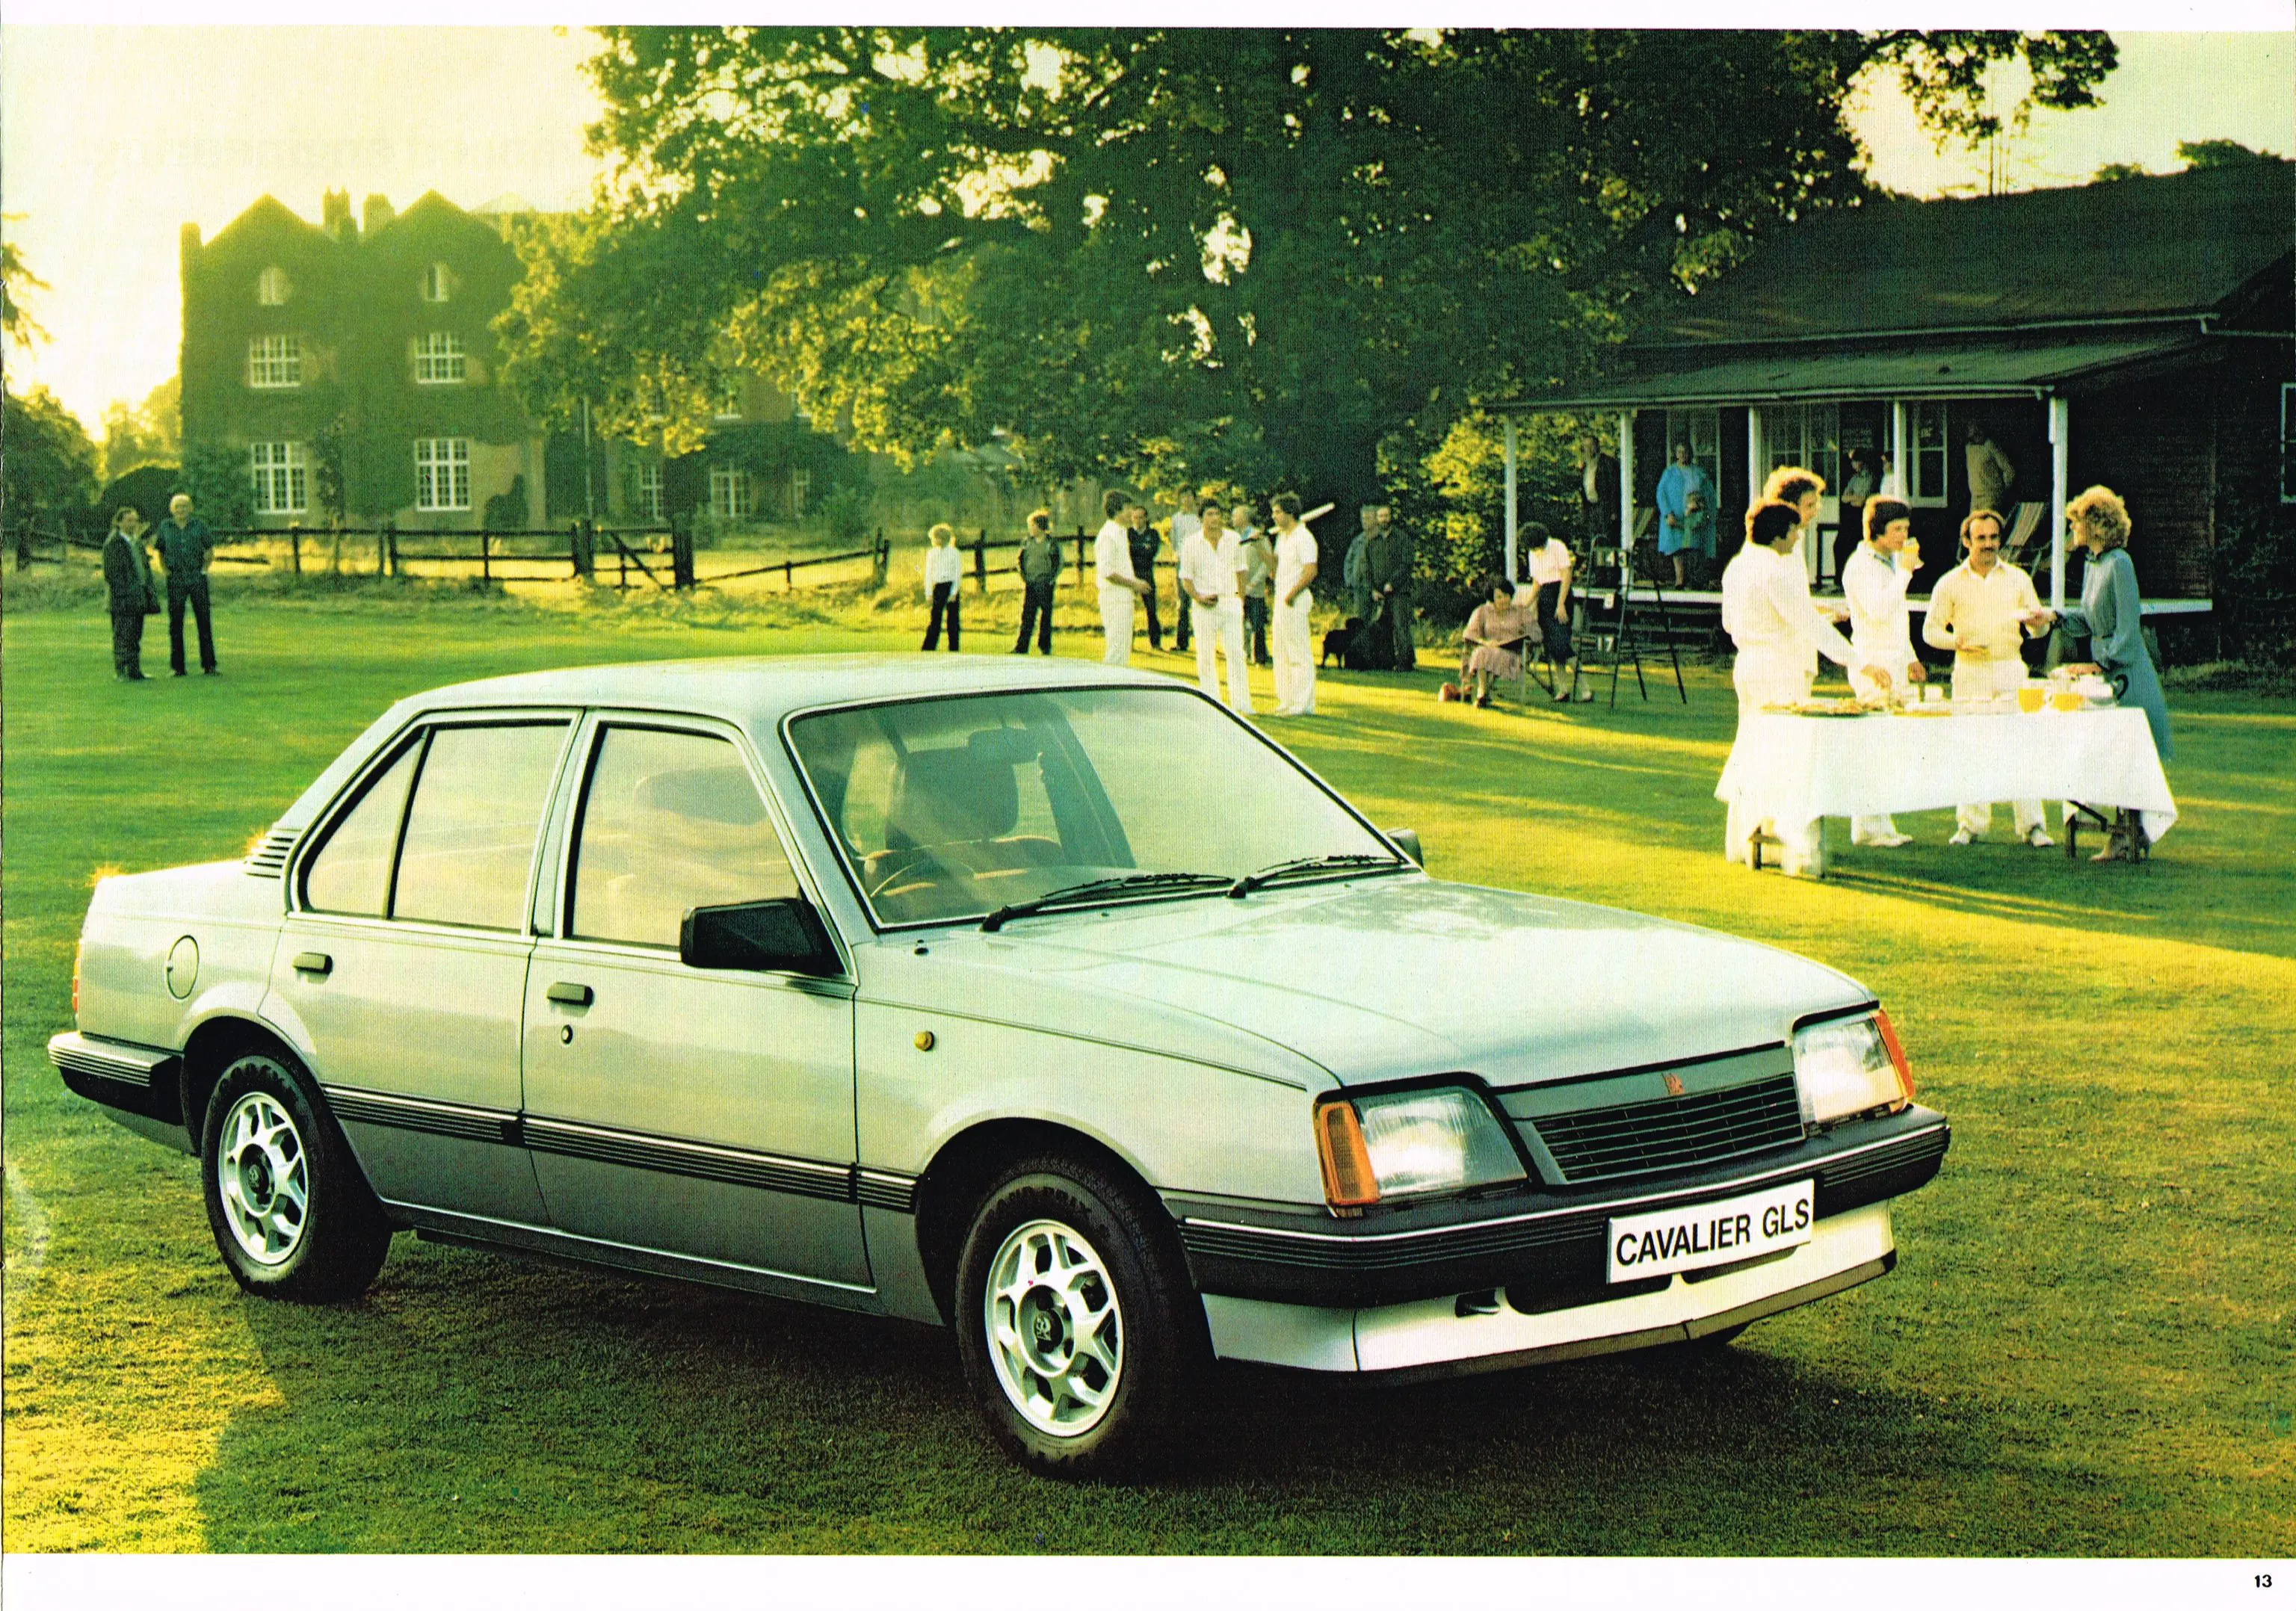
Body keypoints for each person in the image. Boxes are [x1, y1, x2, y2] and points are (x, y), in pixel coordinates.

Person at [1721, 500, 1856, 873]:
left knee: (1755, 751)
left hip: (1748, 664)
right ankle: (1789, 845)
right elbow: (1807, 625)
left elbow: (1731, 624)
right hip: (1775, 667)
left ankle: (1752, 841)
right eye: (1795, 530)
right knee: (1784, 754)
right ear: (1780, 534)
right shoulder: (1775, 570)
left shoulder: (1738, 566)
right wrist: (1855, 660)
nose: (1799, 537)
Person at [1923, 508, 2052, 847]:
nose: (1988, 544)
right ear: (1967, 542)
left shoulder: (2018, 579)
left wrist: (2039, 623)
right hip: (1970, 672)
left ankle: (2033, 826)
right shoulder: (1950, 582)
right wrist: (1956, 642)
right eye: (1980, 538)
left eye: (1994, 538)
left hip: (2010, 668)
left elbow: (2037, 630)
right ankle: (1970, 825)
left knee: (2020, 747)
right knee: (1971, 748)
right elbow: (1930, 631)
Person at [2041, 484, 2173, 767]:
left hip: (2128, 675)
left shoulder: (2120, 564)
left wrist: (2097, 666)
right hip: (2108, 673)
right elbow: (2092, 622)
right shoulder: (2093, 564)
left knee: (2136, 762)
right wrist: (2054, 618)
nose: (2072, 527)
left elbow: (2127, 629)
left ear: (2095, 525)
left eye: (2076, 521)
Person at [1841, 498, 1925, 846]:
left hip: (1892, 660)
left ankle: (1880, 825)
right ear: (1877, 530)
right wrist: (1905, 571)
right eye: (1897, 530)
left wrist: (1910, 656)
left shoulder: (1887, 562)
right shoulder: (1861, 565)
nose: (1904, 536)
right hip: (1872, 664)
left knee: (1888, 749)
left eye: (1906, 529)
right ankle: (1867, 828)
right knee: (1873, 747)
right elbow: (1877, 611)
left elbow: (1895, 619)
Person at [1179, 497, 1253, 713]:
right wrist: (1199, 597)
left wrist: (1241, 598)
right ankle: (1211, 702)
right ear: (1201, 518)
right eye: (1210, 515)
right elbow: (1186, 579)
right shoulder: (1191, 542)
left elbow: (1241, 570)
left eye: (1217, 514)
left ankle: (1242, 704)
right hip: (1204, 606)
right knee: (1205, 654)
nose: (1215, 519)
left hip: (1229, 601)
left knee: (1236, 653)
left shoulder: (1233, 538)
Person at [1519, 522, 1587, 701]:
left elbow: (1566, 575)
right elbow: (1537, 583)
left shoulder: (1557, 546)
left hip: (1561, 594)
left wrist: (1561, 604)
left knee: (1562, 645)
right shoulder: (1532, 553)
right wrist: (1526, 604)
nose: (1536, 550)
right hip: (1545, 598)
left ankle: (1585, 688)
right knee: (1552, 647)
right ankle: (1563, 689)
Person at [152, 492, 218, 675]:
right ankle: (178, 668)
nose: (181, 510)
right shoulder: (165, 527)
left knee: (204, 621)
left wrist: (204, 570)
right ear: (172, 509)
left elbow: (210, 550)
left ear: (190, 508)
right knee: (175, 624)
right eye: (177, 507)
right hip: (176, 580)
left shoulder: (199, 526)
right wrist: (165, 571)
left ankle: (209, 665)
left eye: (184, 506)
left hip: (197, 578)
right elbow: (159, 551)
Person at [1268, 493, 1320, 717]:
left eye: (1278, 512)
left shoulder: (1304, 537)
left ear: (1290, 513)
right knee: (1280, 652)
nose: (1274, 516)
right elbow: (1276, 568)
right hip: (1281, 600)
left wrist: (1291, 595)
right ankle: (1286, 700)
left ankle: (1303, 704)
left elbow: (1311, 571)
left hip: (1295, 601)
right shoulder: (1282, 537)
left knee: (1299, 653)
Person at [102, 507, 159, 681]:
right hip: (122, 599)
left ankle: (135, 670)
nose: (133, 523)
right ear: (119, 522)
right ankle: (121, 671)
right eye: (128, 520)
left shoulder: (136, 542)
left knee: (135, 635)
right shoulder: (113, 543)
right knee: (121, 635)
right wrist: (126, 592)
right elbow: (112, 574)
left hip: (139, 597)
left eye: (135, 520)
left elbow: (144, 569)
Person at [1094, 489, 1150, 667]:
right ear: (1118, 509)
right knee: (1116, 651)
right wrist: (1135, 584)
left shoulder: (1120, 532)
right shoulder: (1108, 535)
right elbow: (1108, 572)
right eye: (1128, 509)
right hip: (1114, 598)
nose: (1132, 513)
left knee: (1122, 649)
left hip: (1123, 598)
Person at [1459, 574, 1533, 708]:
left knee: (1495, 655)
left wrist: (1522, 637)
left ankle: (1483, 696)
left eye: (1506, 596)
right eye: (1499, 597)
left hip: (1512, 654)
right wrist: (1486, 642)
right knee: (1482, 652)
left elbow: (1536, 633)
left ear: (1511, 596)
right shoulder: (1482, 612)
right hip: (1488, 648)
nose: (1503, 600)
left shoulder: (1521, 612)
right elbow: (1469, 633)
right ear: (1492, 598)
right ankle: (1483, 693)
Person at [1654, 442, 1718, 588]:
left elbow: (1709, 495)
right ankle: (1680, 580)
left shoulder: (1699, 473)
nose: (1683, 455)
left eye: (1685, 451)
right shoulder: (1669, 473)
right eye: (1680, 452)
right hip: (1676, 517)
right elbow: (1661, 494)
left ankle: (1694, 581)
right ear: (1676, 454)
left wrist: (1706, 510)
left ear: (1690, 453)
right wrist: (1667, 513)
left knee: (1693, 547)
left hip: (1694, 517)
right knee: (1677, 549)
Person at [1364, 503, 1415, 672]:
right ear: (1377, 519)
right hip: (1379, 594)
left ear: (1391, 517)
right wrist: (1372, 589)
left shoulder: (1402, 539)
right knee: (1382, 629)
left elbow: (1406, 564)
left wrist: (1392, 583)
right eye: (1380, 516)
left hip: (1400, 592)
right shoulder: (1372, 543)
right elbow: (1368, 569)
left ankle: (1405, 663)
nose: (1383, 519)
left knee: (1401, 627)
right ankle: (1386, 661)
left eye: (1386, 516)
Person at [1012, 509, 1061, 655]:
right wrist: (1025, 577)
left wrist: (1051, 579)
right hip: (1031, 584)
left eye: (1032, 525)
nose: (1030, 529)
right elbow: (1020, 560)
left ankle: (1044, 647)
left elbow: (1057, 563)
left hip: (1045, 584)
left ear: (1040, 526)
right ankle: (1022, 647)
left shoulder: (1051, 543)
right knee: (1027, 616)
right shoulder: (1027, 542)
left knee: (1045, 617)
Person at [1835, 445, 1880, 585]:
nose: (1853, 464)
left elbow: (1862, 500)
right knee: (1839, 545)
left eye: (1855, 461)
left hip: (1862, 517)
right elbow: (1844, 497)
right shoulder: (1854, 478)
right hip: (1851, 516)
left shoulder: (1871, 478)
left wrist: (1854, 498)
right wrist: (1855, 497)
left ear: (1861, 462)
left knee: (1859, 549)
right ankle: (1840, 580)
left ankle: (1858, 582)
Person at [1237, 503, 1275, 667]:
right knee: (1241, 623)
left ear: (1244, 517)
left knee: (1257, 624)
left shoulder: (1259, 536)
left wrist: (1253, 584)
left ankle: (1259, 658)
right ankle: (1244, 654)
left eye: (1236, 515)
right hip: (1240, 589)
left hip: (1255, 590)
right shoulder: (1236, 537)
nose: (1233, 518)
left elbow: (1267, 564)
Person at [1125, 501, 1164, 651]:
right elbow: (1128, 554)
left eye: (1141, 517)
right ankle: (1129, 643)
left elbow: (1150, 553)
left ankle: (1156, 643)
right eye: (1136, 517)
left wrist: (1136, 549)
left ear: (1146, 518)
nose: (1139, 520)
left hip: (1147, 575)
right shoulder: (1128, 533)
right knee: (1129, 609)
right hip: (1131, 575)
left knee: (1151, 610)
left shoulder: (1153, 534)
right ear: (1132, 518)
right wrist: (1141, 548)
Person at [921, 523, 963, 651]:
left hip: (950, 586)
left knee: (953, 620)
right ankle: (929, 647)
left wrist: (954, 592)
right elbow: (928, 574)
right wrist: (928, 593)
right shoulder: (931, 554)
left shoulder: (954, 553)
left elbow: (957, 574)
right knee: (935, 619)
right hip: (938, 587)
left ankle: (954, 648)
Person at [1342, 504, 1377, 657]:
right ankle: (1361, 655)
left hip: (1377, 588)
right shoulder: (1358, 541)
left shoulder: (1380, 539)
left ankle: (1377, 655)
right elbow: (1349, 561)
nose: (1364, 521)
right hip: (1359, 588)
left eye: (1368, 518)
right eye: (1363, 518)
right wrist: (1349, 579)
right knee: (1360, 622)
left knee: (1376, 623)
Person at [1576, 434, 1620, 554]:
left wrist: (1613, 511)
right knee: (1594, 544)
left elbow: (1614, 488)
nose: (1588, 449)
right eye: (1585, 446)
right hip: (1592, 509)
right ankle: (1598, 571)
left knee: (1607, 543)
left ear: (1597, 446)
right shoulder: (1585, 466)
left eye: (1591, 446)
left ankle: (1609, 572)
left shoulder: (1608, 463)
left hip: (1605, 509)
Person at [1966, 423, 2016, 516]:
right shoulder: (1969, 448)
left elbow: (2009, 470)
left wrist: (2001, 490)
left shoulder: (1990, 446)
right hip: (1975, 499)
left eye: (1977, 432)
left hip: (1990, 498)